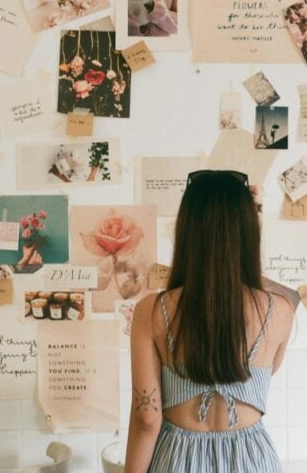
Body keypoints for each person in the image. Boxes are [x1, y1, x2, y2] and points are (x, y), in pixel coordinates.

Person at [125, 170, 294, 473]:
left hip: (178, 459)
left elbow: (146, 418)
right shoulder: (279, 311)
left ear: (186, 231)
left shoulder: (151, 311)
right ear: (248, 233)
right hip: (251, 460)